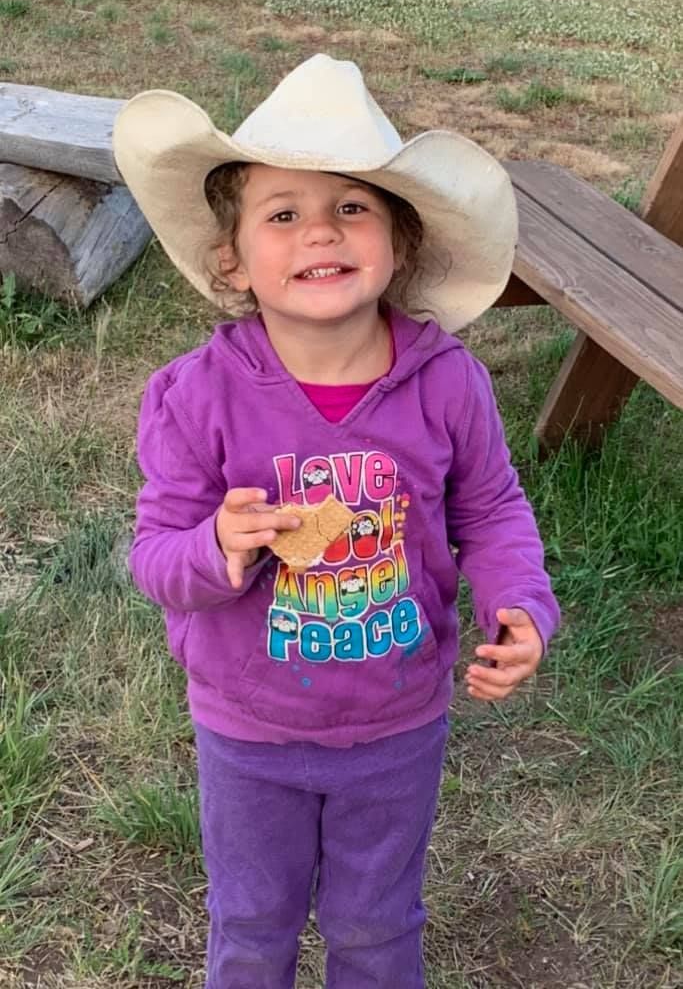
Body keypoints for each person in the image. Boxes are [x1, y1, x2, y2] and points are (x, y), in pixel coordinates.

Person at [114, 54, 560, 989]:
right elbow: (154, 556)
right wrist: (215, 547)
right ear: (230, 257)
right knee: (250, 924)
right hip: (248, 728)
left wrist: (519, 601)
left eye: (352, 207)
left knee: (375, 928)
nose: (321, 230)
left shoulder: (444, 382)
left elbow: (489, 506)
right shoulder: (196, 399)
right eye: (283, 213)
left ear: (399, 241)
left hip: (397, 720)